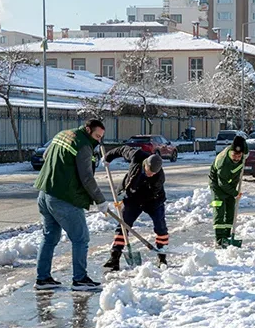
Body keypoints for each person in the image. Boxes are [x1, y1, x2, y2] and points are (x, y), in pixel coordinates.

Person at [33, 119, 108, 291]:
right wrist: (100, 200)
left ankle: (42, 279)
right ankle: (80, 280)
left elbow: (46, 156)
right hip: (64, 198)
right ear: (88, 130)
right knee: (81, 238)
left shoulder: (63, 134)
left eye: (101, 137)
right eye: (97, 136)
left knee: (49, 237)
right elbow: (87, 178)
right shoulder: (83, 145)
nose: (98, 140)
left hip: (45, 194)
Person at [102, 146, 168, 271]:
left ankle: (162, 255)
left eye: (153, 173)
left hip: (153, 201)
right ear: (146, 163)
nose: (150, 174)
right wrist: (108, 157)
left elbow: (149, 195)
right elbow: (121, 150)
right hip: (133, 197)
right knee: (123, 225)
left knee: (160, 227)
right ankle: (114, 256)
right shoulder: (137, 155)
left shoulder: (159, 177)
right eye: (149, 171)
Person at [210, 135, 248, 248]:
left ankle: (227, 235)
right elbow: (222, 184)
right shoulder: (223, 163)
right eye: (234, 155)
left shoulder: (243, 150)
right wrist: (235, 193)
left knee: (231, 209)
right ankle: (219, 239)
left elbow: (244, 147)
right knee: (220, 210)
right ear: (230, 152)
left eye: (239, 155)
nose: (236, 158)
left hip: (230, 183)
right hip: (218, 184)